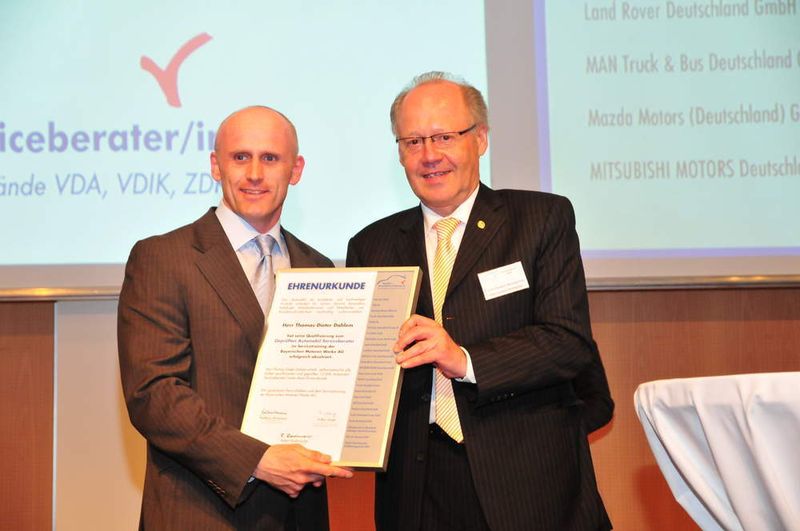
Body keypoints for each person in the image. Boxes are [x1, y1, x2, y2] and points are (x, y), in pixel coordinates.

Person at [347, 72, 614, 530]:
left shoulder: (540, 219)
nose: (429, 156)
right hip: (417, 491)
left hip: (528, 484)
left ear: (481, 139)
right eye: (412, 142)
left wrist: (464, 359)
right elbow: (365, 372)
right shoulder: (371, 246)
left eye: (444, 137)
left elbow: (568, 342)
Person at [118, 105, 352, 530]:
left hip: (301, 515)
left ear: (295, 169)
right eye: (240, 157)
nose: (255, 174)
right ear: (215, 165)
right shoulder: (163, 258)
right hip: (200, 512)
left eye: (271, 158)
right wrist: (257, 459)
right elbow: (154, 394)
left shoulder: (318, 268)